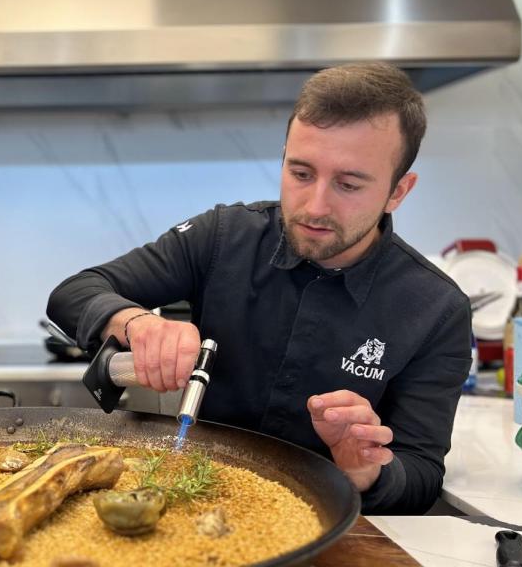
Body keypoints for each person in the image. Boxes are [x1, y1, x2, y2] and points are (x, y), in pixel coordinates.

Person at [47, 62, 471, 515]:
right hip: (194, 504)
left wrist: (368, 471)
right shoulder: (223, 236)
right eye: (301, 173)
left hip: (324, 527)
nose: (314, 205)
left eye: (348, 184)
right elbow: (73, 293)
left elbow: (422, 475)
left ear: (398, 192)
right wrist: (134, 323)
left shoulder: (436, 308)